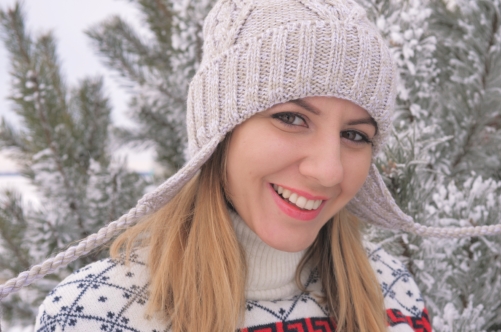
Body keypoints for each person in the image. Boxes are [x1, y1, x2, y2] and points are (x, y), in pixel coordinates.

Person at [32, 0, 432, 331]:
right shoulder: (97, 315)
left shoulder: (390, 290)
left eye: (355, 135)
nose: (329, 171)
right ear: (219, 132)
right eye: (291, 118)